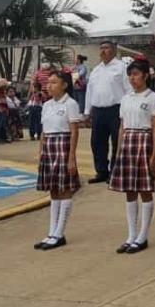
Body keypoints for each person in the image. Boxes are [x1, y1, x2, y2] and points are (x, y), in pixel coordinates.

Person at [109, 59, 155, 254]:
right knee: (129, 191)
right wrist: (118, 151)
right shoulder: (126, 98)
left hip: (144, 141)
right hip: (128, 142)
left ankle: (143, 236)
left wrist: (154, 154)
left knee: (144, 190)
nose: (132, 78)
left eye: (136, 74)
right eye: (130, 75)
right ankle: (131, 235)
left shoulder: (153, 98)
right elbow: (122, 126)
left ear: (145, 76)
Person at [33, 71, 83, 250]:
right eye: (49, 82)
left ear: (64, 85)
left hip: (63, 145)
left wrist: (71, 157)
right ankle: (51, 232)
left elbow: (74, 132)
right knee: (53, 191)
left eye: (54, 82)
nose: (49, 85)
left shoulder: (70, 104)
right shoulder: (46, 105)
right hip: (49, 147)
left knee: (65, 190)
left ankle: (60, 233)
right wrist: (41, 152)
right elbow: (44, 132)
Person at [84, 40, 130, 183]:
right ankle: (101, 171)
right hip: (98, 110)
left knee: (117, 142)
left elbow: (128, 90)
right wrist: (87, 112)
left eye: (106, 48)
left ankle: (115, 172)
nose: (103, 51)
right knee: (97, 142)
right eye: (101, 48)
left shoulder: (122, 68)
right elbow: (89, 92)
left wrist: (127, 110)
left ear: (114, 50)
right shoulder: (96, 70)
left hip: (116, 109)